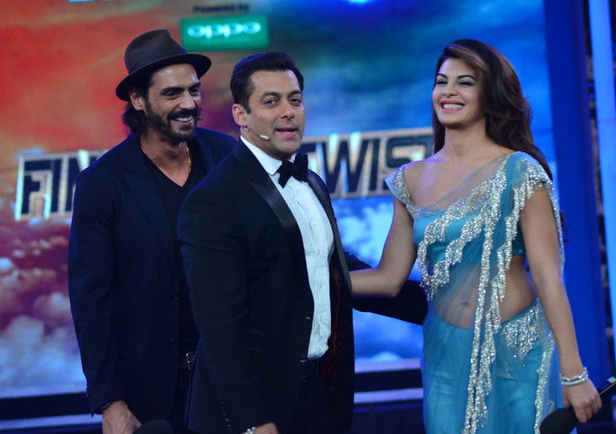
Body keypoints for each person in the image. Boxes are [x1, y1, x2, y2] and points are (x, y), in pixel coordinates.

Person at [351, 39, 601, 433]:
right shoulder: (409, 180)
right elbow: (387, 278)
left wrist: (573, 372)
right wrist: (309, 279)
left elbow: (548, 277)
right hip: (444, 357)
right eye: (441, 81)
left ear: (490, 96)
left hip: (518, 353)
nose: (448, 91)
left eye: (465, 82)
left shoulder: (520, 171)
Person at [177, 52, 427, 434]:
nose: (288, 112)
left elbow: (331, 274)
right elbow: (220, 327)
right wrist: (253, 421)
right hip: (258, 408)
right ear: (241, 115)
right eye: (271, 101)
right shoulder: (213, 200)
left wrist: (438, 306)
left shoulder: (312, 184)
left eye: (295, 99)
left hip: (321, 394)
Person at [68, 29, 236, 434]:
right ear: (138, 99)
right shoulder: (102, 184)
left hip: (233, 380)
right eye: (172, 93)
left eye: (193, 91)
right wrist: (110, 401)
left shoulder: (228, 156)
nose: (188, 104)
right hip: (152, 395)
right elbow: (92, 302)